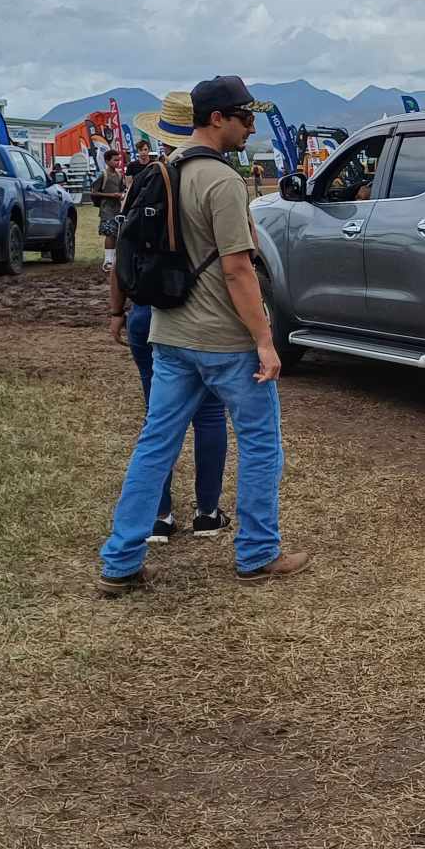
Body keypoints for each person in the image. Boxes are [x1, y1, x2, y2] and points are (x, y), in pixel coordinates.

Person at [99, 75, 307, 593]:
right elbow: (237, 269)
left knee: (156, 444)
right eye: (244, 117)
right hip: (225, 341)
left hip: (170, 334)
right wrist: (264, 339)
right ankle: (257, 552)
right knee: (260, 444)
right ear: (217, 118)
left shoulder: (164, 170)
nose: (250, 126)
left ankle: (121, 560)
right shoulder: (223, 182)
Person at [106, 95, 231, 543]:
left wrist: (117, 310)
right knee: (211, 414)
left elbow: (124, 251)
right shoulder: (215, 178)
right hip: (206, 315)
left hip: (150, 313)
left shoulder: (144, 180)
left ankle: (158, 518)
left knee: (158, 419)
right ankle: (208, 511)